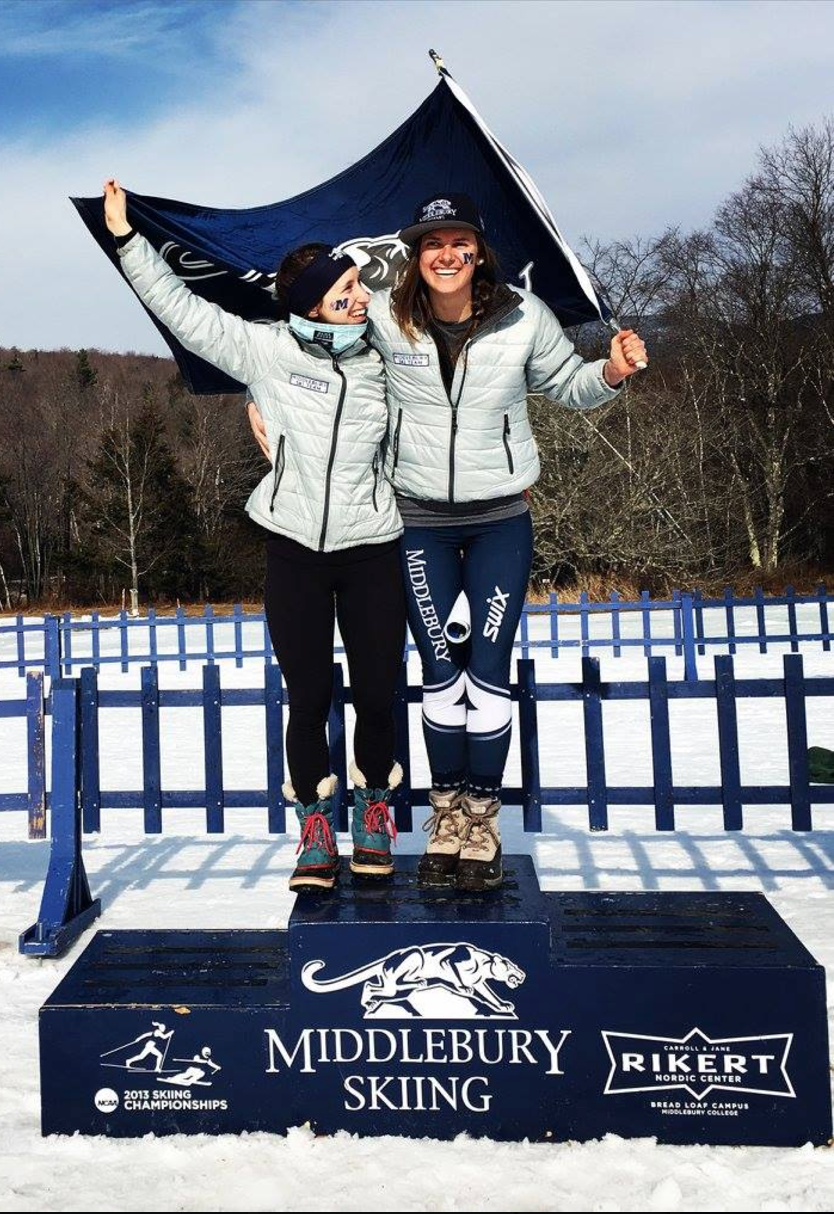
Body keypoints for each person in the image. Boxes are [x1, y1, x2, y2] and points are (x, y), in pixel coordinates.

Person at [249, 193, 647, 892]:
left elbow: (569, 384)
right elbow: (308, 346)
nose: (446, 255)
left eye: (459, 241)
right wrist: (265, 409)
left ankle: (481, 821)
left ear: (479, 249)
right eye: (432, 244)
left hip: (499, 517)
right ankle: (445, 817)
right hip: (418, 522)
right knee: (440, 670)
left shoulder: (524, 317)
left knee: (486, 668)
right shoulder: (386, 318)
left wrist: (611, 371)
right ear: (415, 254)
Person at [102, 180, 408, 892]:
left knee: (377, 690)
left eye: (360, 287)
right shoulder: (266, 352)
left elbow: (436, 405)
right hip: (294, 548)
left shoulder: (385, 356)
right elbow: (183, 310)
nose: (360, 299)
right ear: (310, 307)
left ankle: (373, 812)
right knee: (308, 694)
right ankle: (313, 828)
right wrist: (127, 239)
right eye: (344, 294)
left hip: (372, 546)